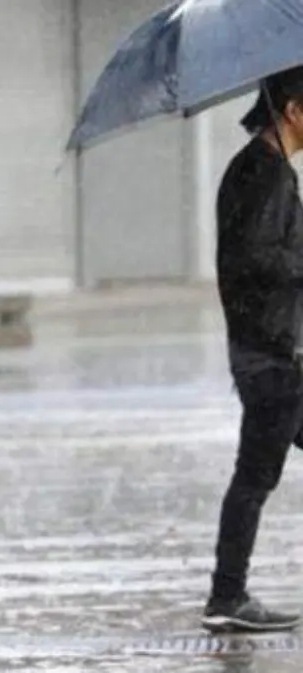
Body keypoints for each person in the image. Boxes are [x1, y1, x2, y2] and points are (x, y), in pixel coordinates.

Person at [204, 65, 303, 634]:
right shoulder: (263, 174)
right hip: (270, 356)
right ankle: (226, 596)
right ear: (291, 111)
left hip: (272, 351)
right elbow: (256, 260)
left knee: (252, 477)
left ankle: (226, 595)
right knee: (253, 478)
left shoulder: (268, 171)